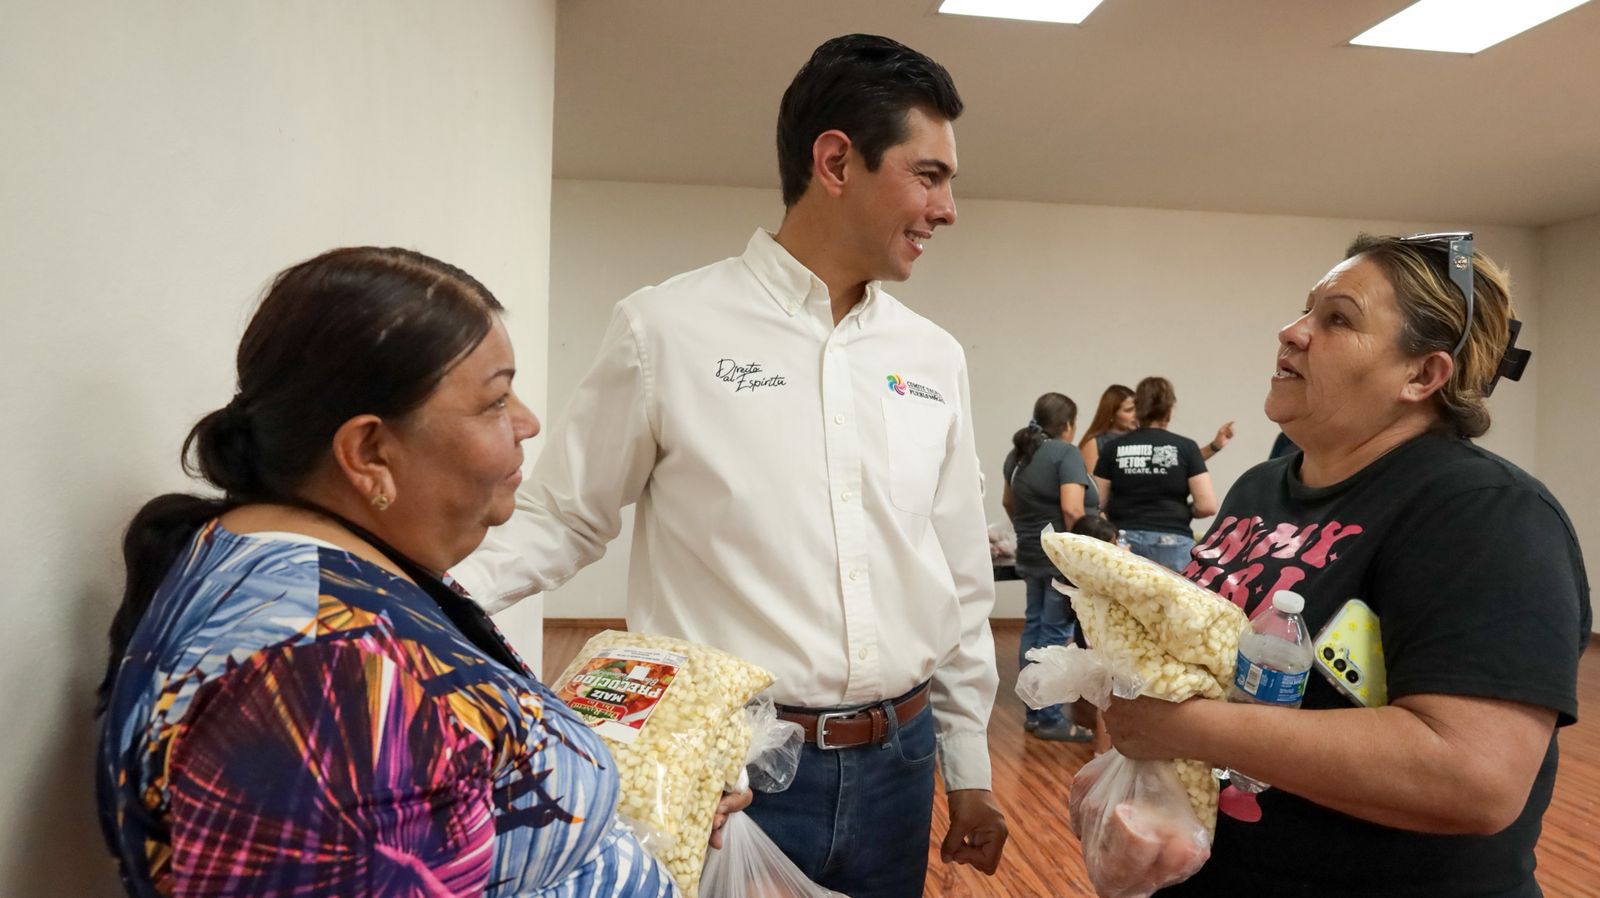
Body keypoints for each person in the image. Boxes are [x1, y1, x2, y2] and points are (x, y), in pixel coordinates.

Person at [453, 34, 1005, 897]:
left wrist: (968, 767)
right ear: (836, 161)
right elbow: (563, 516)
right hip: (729, 771)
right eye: (928, 175)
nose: (948, 209)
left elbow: (960, 574)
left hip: (900, 766)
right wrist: (414, 604)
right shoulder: (666, 329)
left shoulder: (932, 357)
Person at [96, 248, 684, 897]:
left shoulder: (313, 558)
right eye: (495, 401)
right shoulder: (327, 684)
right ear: (369, 451)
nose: (527, 422)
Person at [1102, 233, 1589, 896]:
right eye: (1307, 309)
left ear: (1422, 376)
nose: (1292, 331)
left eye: (1337, 319)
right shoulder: (1259, 488)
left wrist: (1181, 728)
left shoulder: (1488, 513)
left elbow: (1475, 776)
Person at [1002, 392, 1096, 741]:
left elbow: (1007, 502)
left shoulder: (1017, 454)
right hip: (1059, 558)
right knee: (1055, 636)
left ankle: (1034, 712)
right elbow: (1072, 509)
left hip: (1030, 553)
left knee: (1034, 629)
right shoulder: (1065, 453)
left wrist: (1029, 531)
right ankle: (1050, 718)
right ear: (1069, 424)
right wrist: (1081, 558)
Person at [1093, 377, 1219, 571]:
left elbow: (1097, 503)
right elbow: (1207, 506)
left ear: (1138, 409)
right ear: (1169, 411)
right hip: (1173, 540)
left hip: (1123, 541)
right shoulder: (1186, 447)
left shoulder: (1113, 447)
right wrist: (1185, 511)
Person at [1081, 383, 1234, 479]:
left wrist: (1215, 446)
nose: (1136, 414)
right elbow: (1095, 491)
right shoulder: (1096, 443)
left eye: (1137, 408)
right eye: (1128, 410)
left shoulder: (1143, 436)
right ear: (1111, 415)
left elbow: (1180, 459)